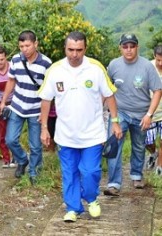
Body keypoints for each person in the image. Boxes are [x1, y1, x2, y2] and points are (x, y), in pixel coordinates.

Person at [39, 31, 122, 222]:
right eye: (70, 50)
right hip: (65, 134)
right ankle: (73, 208)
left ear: (85, 49)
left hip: (92, 134)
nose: (74, 54)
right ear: (65, 49)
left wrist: (115, 122)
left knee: (90, 171)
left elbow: (109, 95)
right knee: (69, 173)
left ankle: (91, 198)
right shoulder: (55, 70)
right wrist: (44, 127)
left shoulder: (95, 68)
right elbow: (45, 99)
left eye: (79, 50)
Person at [104, 33, 162, 196]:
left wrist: (149, 114)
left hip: (141, 113)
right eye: (125, 46)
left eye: (132, 46)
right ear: (120, 48)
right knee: (114, 146)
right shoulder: (114, 65)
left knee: (138, 146)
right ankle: (114, 183)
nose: (129, 50)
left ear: (137, 47)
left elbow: (157, 91)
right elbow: (106, 89)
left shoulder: (146, 66)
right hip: (120, 112)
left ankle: (137, 174)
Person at [0, 30, 52, 185]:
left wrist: (44, 115)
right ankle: (23, 160)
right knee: (10, 140)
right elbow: (11, 81)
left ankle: (34, 172)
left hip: (36, 108)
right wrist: (3, 101)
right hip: (17, 106)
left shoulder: (46, 64)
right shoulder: (16, 59)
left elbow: (48, 92)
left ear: (36, 44)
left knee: (35, 145)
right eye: (21, 46)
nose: (24, 49)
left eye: (27, 45)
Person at [144, 45, 162, 175]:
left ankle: (160, 168)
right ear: (154, 56)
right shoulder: (147, 68)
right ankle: (153, 153)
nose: (161, 63)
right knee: (147, 142)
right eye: (158, 60)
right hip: (149, 113)